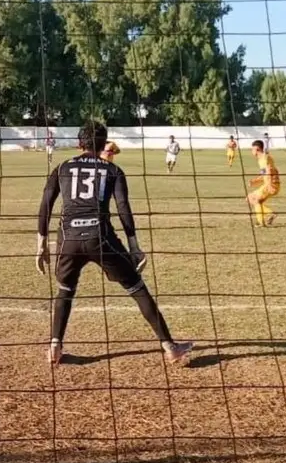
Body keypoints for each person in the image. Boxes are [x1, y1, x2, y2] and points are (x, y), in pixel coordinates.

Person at [35, 121, 193, 367]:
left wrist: (41, 243)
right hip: (102, 237)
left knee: (65, 291)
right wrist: (134, 245)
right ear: (103, 145)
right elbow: (123, 208)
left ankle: (54, 347)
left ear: (79, 144)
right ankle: (170, 347)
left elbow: (45, 204)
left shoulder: (61, 167)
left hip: (69, 239)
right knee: (136, 287)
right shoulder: (112, 170)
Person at [247, 139, 280, 227]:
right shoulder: (261, 159)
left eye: (252, 149)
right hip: (269, 183)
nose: (251, 151)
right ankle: (270, 214)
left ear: (257, 149)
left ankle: (261, 222)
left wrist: (269, 185)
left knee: (254, 199)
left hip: (271, 184)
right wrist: (255, 181)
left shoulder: (265, 158)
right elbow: (265, 174)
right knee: (250, 198)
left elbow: (269, 171)